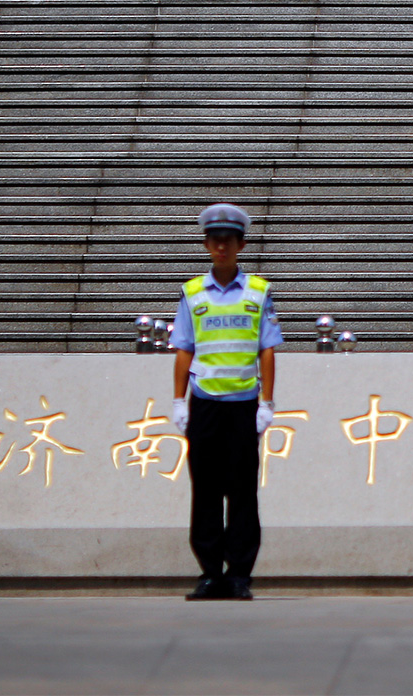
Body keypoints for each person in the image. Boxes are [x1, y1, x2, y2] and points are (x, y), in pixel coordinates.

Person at [169, 203, 282, 600]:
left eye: (228, 241)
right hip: (205, 403)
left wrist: (267, 403)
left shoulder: (259, 292)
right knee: (205, 489)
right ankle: (209, 573)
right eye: (215, 241)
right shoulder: (192, 292)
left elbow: (266, 350)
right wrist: (178, 401)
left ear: (241, 244)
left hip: (242, 403)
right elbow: (183, 349)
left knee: (242, 489)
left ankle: (238, 575)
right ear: (206, 244)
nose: (221, 247)